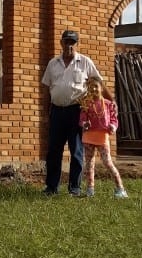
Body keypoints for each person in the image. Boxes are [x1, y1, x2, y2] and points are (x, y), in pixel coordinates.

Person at [41, 30, 102, 196]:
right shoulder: (53, 63)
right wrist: (47, 113)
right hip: (57, 112)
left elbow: (97, 83)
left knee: (76, 151)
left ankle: (74, 188)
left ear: (77, 44)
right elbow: (47, 89)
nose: (69, 45)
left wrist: (109, 104)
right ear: (61, 43)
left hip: (77, 112)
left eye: (72, 42)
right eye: (66, 42)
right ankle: (51, 187)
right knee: (54, 151)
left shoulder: (84, 62)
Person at [79, 77, 128, 198]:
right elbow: (82, 119)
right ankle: (90, 190)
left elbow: (114, 119)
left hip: (102, 138)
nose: (94, 89)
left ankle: (120, 188)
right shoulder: (85, 103)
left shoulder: (108, 104)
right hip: (88, 137)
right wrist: (84, 124)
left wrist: (112, 126)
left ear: (101, 88)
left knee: (108, 162)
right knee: (89, 164)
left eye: (96, 86)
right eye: (91, 87)